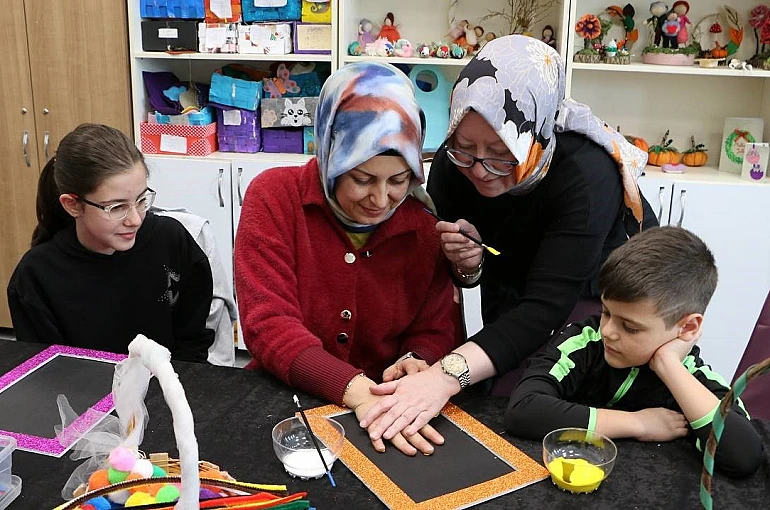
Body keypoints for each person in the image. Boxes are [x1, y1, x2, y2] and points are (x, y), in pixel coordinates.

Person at [359, 35, 657, 442]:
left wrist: (444, 377)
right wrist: (470, 263)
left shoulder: (586, 177)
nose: (480, 169)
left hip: (594, 300)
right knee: (499, 404)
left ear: (534, 135)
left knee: (561, 412)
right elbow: (475, 274)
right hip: (517, 290)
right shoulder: (452, 167)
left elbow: (545, 307)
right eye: (465, 147)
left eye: (502, 152)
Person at [234, 61, 460, 456]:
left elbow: (437, 328)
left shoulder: (423, 229)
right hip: (283, 401)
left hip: (384, 408)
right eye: (362, 179)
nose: (380, 200)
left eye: (398, 180)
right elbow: (268, 325)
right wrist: (357, 392)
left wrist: (416, 359)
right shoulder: (274, 198)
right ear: (330, 154)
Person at [506, 226, 763, 478]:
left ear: (687, 327)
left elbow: (744, 456)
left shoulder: (692, 376)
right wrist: (638, 423)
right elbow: (523, 410)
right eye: (606, 312)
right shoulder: (585, 339)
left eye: (630, 327)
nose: (607, 331)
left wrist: (668, 364)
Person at [7, 124, 214, 362]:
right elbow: (51, 373)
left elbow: (192, 342)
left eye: (140, 200)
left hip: (168, 386)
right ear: (73, 205)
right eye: (117, 208)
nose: (135, 220)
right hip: (84, 394)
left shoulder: (171, 242)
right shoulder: (36, 276)